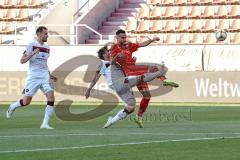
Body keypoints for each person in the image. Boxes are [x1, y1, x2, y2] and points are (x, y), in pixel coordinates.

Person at [85, 45, 167, 128]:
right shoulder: (103, 64)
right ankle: (160, 73)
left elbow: (126, 70)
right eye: (107, 52)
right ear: (103, 55)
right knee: (141, 78)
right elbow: (95, 78)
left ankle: (111, 121)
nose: (110, 52)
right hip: (117, 83)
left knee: (130, 107)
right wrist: (88, 90)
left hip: (122, 84)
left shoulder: (116, 63)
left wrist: (132, 62)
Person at [110, 29, 179, 128]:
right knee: (152, 69)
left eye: (125, 37)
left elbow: (141, 44)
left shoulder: (128, 45)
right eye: (122, 37)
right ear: (116, 37)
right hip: (130, 74)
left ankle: (139, 117)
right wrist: (117, 56)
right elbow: (112, 62)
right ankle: (165, 80)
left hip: (136, 72)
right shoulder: (114, 48)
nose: (124, 39)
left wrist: (151, 40)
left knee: (147, 96)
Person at [6, 26, 57, 130]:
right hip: (33, 77)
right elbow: (22, 60)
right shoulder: (31, 45)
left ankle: (45, 124)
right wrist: (32, 53)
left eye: (47, 33)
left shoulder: (47, 47)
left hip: (44, 76)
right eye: (45, 34)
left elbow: (44, 63)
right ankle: (13, 106)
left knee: (51, 97)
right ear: (38, 34)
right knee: (26, 102)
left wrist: (49, 74)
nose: (47, 35)